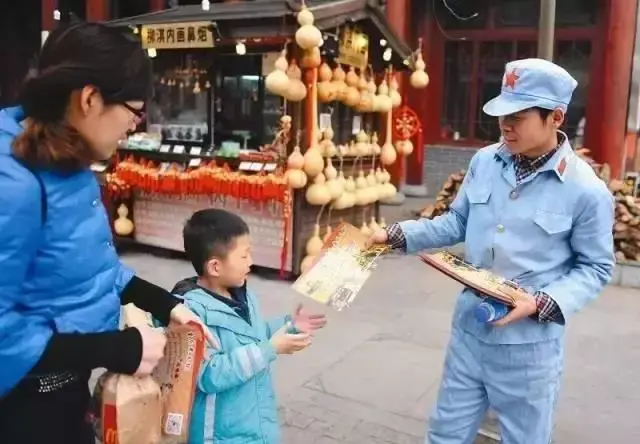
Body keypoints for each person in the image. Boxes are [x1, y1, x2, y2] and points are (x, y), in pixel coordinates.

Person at [370, 58, 615, 444]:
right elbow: (456, 223)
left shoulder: (586, 190)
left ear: (556, 117)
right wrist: (396, 234)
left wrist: (542, 302)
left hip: (528, 346)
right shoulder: (485, 161)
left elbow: (596, 267)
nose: (505, 124)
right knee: (445, 434)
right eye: (503, 112)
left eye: (518, 115)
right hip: (469, 330)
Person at [0, 21, 209, 444]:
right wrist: (120, 349)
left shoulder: (66, 159)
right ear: (90, 98)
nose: (136, 126)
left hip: (63, 392)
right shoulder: (13, 183)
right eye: (133, 111)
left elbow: (95, 270)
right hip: (23, 408)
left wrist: (167, 305)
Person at [172, 209, 327, 443]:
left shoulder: (243, 294)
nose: (251, 262)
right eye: (244, 256)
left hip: (254, 425)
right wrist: (270, 349)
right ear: (215, 267)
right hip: (219, 435)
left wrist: (288, 325)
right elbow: (208, 374)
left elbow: (253, 337)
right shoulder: (190, 312)